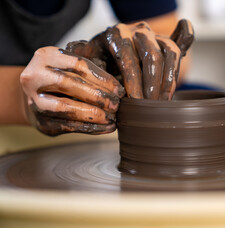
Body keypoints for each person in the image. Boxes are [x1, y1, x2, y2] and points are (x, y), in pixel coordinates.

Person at [0, 0, 193, 136]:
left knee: (201, 104)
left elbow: (163, 31)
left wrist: (133, 65)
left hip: (42, 76)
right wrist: (20, 98)